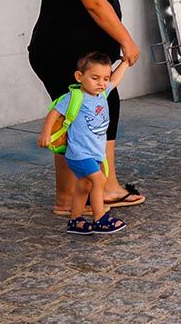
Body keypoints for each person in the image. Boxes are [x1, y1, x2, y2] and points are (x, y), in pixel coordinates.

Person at [28, 0, 145, 217]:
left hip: (63, 47)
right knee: (93, 112)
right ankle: (101, 189)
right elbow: (94, 4)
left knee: (77, 117)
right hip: (67, 51)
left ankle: (72, 197)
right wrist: (126, 40)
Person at [37, 52, 129, 235]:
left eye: (105, 78)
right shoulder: (74, 97)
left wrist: (125, 62)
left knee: (84, 185)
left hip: (94, 153)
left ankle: (75, 220)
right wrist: (45, 134)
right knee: (99, 180)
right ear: (80, 77)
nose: (101, 83)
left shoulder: (102, 94)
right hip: (79, 154)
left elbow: (116, 80)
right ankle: (100, 218)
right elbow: (54, 113)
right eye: (95, 78)